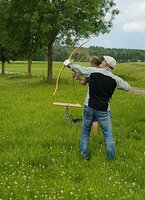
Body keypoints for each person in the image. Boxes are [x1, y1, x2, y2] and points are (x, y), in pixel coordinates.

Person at [63, 56, 131, 160]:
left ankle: (84, 156)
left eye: (103, 61)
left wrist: (69, 64)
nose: (102, 62)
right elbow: (128, 87)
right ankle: (111, 159)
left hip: (89, 107)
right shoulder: (115, 79)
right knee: (108, 135)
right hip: (104, 110)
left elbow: (80, 69)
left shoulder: (94, 71)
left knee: (85, 133)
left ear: (106, 64)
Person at [75, 56, 101, 134]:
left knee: (88, 119)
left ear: (92, 63)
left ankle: (86, 135)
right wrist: (79, 77)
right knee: (96, 119)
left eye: (90, 62)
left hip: (90, 100)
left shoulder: (89, 72)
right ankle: (95, 135)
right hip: (100, 100)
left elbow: (83, 83)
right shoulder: (103, 71)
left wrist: (78, 77)